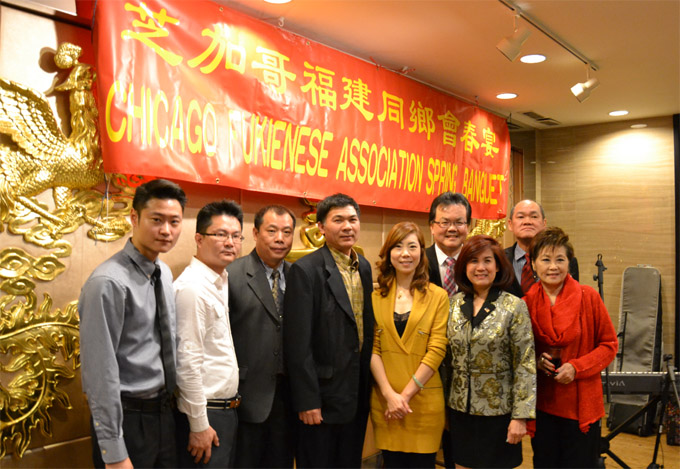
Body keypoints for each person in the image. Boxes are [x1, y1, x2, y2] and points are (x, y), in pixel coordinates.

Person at [79, 178, 186, 469]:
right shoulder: (108, 282)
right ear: (134, 218)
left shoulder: (163, 272)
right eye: (156, 220)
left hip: (164, 414)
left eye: (174, 222)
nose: (166, 230)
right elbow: (99, 373)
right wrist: (114, 451)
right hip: (128, 418)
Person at [283, 193, 374, 468]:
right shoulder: (306, 270)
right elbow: (298, 343)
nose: (347, 226)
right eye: (338, 220)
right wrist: (307, 400)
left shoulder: (364, 267)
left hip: (356, 392)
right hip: (321, 398)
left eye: (352, 219)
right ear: (321, 227)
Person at [524, 227, 617, 468]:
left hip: (580, 404)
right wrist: (536, 361)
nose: (553, 267)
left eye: (560, 260)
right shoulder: (525, 303)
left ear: (569, 263)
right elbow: (520, 352)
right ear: (533, 264)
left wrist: (577, 368)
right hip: (543, 403)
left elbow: (609, 345)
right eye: (545, 260)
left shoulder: (589, 297)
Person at [447, 235, 536, 468]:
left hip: (499, 414)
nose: (480, 267)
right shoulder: (453, 304)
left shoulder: (514, 306)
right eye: (473, 261)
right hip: (459, 411)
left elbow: (525, 363)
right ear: (464, 266)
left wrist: (520, 416)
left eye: (487, 261)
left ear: (497, 266)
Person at [370, 222, 449, 468]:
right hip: (385, 403)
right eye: (398, 246)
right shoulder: (375, 296)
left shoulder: (438, 296)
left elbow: (437, 349)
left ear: (421, 252)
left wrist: (403, 398)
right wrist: (389, 395)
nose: (405, 253)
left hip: (424, 403)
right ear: (388, 253)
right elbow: (373, 349)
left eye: (412, 247)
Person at [174, 200, 244, 468]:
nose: (230, 243)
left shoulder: (220, 280)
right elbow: (187, 362)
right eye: (221, 234)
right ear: (199, 239)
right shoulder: (192, 288)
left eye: (236, 236)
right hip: (206, 414)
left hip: (225, 411)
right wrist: (199, 424)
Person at [227, 205, 297, 468]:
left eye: (287, 232)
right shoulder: (231, 274)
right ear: (256, 233)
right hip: (247, 397)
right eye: (272, 231)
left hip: (288, 399)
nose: (280, 238)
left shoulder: (298, 275)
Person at [424, 191, 471, 468]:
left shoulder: (481, 263)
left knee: (462, 445)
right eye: (444, 222)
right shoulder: (416, 261)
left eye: (459, 222)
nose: (452, 228)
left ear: (469, 226)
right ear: (432, 226)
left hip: (469, 371)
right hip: (426, 367)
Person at [505, 199, 579, 297]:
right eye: (521, 217)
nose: (527, 222)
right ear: (510, 224)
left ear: (544, 223)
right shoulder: (499, 260)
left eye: (534, 217)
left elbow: (572, 296)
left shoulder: (566, 260)